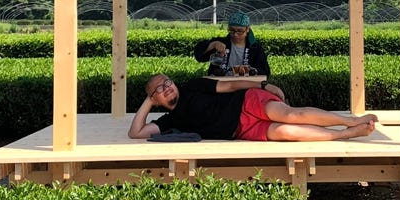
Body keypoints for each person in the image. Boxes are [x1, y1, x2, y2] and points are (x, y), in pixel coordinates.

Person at [130, 73, 377, 142]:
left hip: (246, 101)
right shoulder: (168, 121)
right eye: (159, 89)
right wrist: (148, 101)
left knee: (292, 115)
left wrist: (263, 85)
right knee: (287, 132)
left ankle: (350, 121)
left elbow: (230, 85)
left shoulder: (193, 86)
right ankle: (345, 134)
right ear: (155, 99)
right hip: (241, 130)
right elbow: (135, 133)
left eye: (167, 82)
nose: (167, 87)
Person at [193, 11, 270, 77]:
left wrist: (249, 70)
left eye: (240, 31)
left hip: (245, 84)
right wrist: (212, 45)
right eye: (232, 30)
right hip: (220, 84)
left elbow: (265, 71)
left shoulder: (255, 48)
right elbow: (199, 56)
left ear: (247, 29)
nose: (235, 34)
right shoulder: (221, 42)